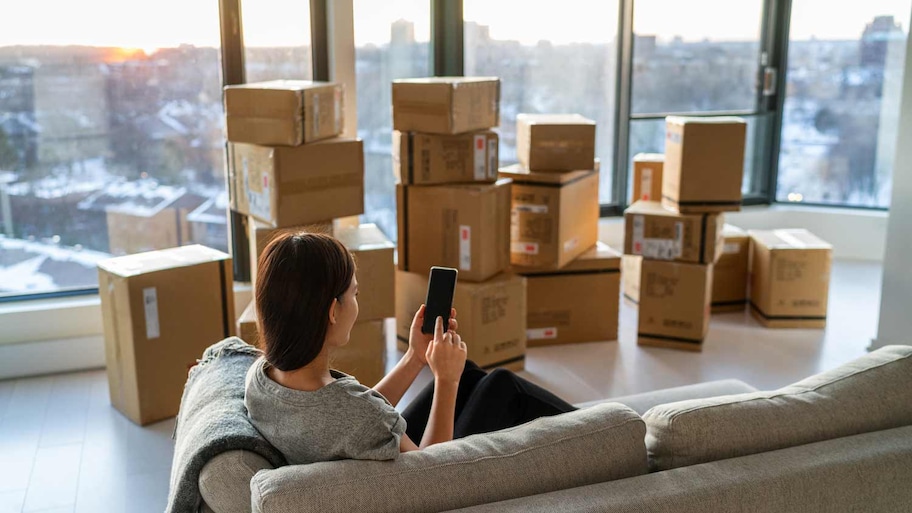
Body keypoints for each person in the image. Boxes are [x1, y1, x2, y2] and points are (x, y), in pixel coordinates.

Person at [244, 231, 576, 465]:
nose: (357, 304)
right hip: (419, 477)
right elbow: (431, 473)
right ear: (333, 311)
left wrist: (416, 357)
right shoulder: (357, 415)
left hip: (355, 452)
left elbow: (348, 415)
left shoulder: (261, 377)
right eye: (354, 295)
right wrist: (446, 381)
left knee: (472, 376)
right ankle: (605, 432)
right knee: (502, 386)